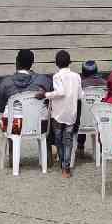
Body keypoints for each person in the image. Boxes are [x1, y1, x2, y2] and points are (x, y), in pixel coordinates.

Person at [37, 50, 83, 178]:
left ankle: (62, 163)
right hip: (71, 114)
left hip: (57, 114)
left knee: (58, 140)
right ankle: (66, 167)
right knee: (68, 140)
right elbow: (80, 95)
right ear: (70, 62)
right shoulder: (77, 76)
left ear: (56, 63)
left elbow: (60, 92)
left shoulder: (57, 76)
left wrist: (45, 95)